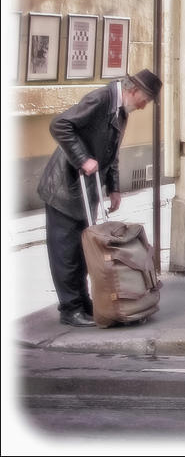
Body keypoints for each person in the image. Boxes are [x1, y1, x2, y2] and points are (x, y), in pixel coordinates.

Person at [37, 69, 162, 327]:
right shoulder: (101, 99)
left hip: (85, 191)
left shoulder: (121, 110)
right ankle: (70, 309)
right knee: (66, 253)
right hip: (64, 189)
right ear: (134, 91)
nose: (143, 106)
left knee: (84, 250)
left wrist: (114, 188)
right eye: (145, 100)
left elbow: (112, 152)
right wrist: (82, 158)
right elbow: (60, 124)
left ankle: (82, 303)